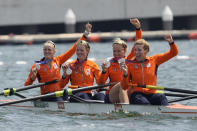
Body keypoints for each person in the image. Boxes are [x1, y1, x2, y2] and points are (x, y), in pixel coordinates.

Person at [24, 23, 92, 101]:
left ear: (54, 51)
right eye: (45, 50)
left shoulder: (58, 60)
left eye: (49, 50)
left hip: (59, 93)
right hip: (47, 95)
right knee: (61, 100)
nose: (47, 52)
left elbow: (73, 49)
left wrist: (86, 34)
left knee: (70, 98)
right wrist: (32, 77)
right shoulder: (37, 66)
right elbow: (27, 85)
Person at [120, 34, 178, 105]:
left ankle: (168, 112)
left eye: (139, 50)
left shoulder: (154, 60)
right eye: (135, 50)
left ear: (146, 51)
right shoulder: (129, 65)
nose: (136, 53)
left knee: (161, 97)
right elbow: (124, 86)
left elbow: (173, 53)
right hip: (137, 94)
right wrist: (125, 74)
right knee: (145, 103)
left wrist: (171, 42)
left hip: (152, 93)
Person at [99, 18, 142, 103]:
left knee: (131, 88)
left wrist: (138, 28)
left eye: (119, 51)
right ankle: (126, 110)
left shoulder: (129, 60)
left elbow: (138, 43)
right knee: (123, 84)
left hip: (127, 92)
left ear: (125, 50)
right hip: (111, 95)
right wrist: (103, 72)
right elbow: (100, 84)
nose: (116, 53)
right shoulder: (109, 63)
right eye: (114, 51)